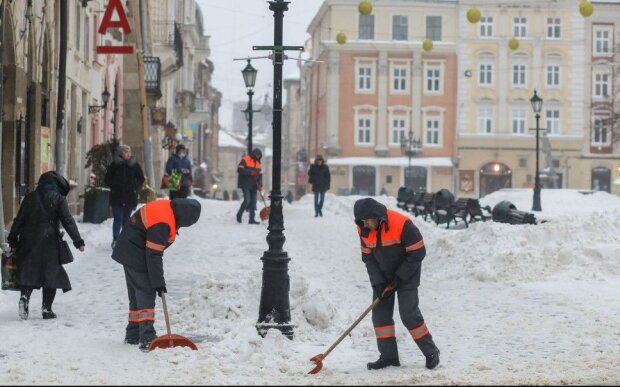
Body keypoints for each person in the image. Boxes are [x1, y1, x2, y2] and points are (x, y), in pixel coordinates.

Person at [353, 197, 440, 371]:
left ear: (376, 216)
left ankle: (431, 352)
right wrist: (377, 283)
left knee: (409, 314)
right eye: (362, 222)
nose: (365, 225)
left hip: (407, 274)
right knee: (380, 316)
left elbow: (418, 252)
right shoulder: (363, 228)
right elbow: (368, 257)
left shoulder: (401, 224)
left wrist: (400, 277)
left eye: (367, 221)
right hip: (383, 277)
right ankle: (389, 357)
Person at [111, 198, 202, 351]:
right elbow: (154, 254)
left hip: (129, 248)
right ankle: (147, 338)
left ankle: (132, 335)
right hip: (134, 252)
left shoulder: (168, 208)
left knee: (136, 296)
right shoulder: (163, 223)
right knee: (146, 292)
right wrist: (158, 282)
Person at [7, 171, 86, 320]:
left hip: (28, 240)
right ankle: (46, 309)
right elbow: (68, 221)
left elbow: (19, 220)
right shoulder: (59, 199)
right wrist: (78, 241)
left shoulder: (29, 197)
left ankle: (24, 298)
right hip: (50, 241)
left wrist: (12, 238)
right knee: (52, 274)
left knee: (29, 272)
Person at [104, 144, 145, 249]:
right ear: (121, 153)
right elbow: (107, 179)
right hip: (117, 196)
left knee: (126, 220)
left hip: (130, 196)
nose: (128, 153)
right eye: (126, 151)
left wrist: (135, 187)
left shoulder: (134, 164)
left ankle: (126, 240)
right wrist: (115, 184)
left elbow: (141, 179)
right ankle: (116, 239)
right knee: (118, 218)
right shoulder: (114, 165)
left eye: (129, 151)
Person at [235, 148, 263, 224]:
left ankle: (252, 219)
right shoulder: (245, 159)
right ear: (254, 154)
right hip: (245, 183)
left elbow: (260, 175)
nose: (257, 156)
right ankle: (239, 214)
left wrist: (260, 185)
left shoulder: (258, 163)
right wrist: (249, 172)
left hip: (254, 184)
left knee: (253, 202)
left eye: (259, 155)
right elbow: (239, 169)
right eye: (257, 155)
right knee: (247, 200)